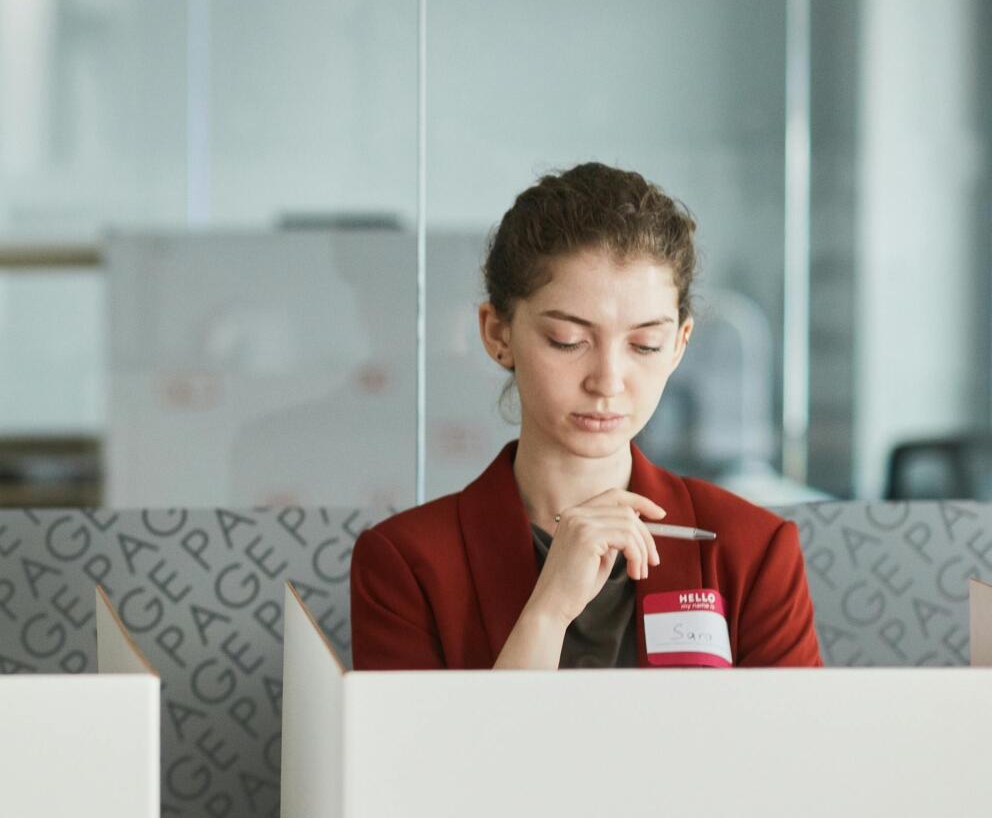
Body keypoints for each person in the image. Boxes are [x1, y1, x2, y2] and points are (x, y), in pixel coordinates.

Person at [351, 164, 821, 670]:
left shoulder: (752, 550)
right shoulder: (407, 564)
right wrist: (547, 612)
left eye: (645, 344)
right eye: (568, 341)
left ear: (680, 345)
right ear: (497, 334)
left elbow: (795, 748)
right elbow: (432, 754)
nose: (608, 380)